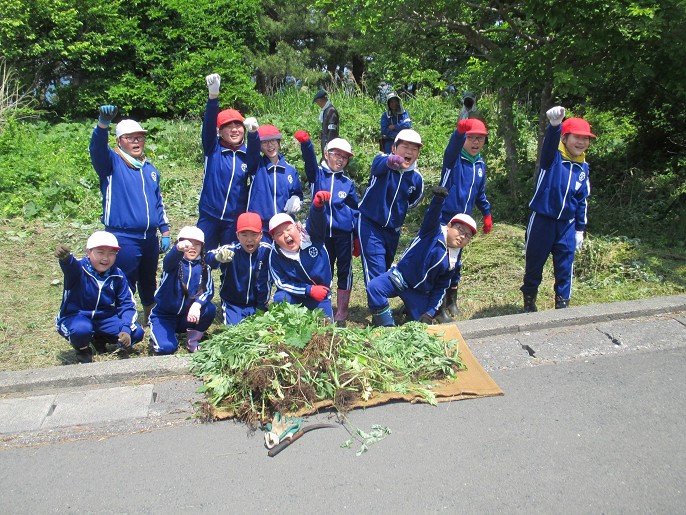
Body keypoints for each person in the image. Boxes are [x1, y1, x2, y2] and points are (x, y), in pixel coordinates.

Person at [90, 105, 171, 326]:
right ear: (119, 141)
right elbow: (96, 149)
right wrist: (102, 125)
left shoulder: (150, 169)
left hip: (149, 238)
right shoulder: (112, 163)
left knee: (148, 278)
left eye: (140, 138)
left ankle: (149, 316)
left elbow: (158, 202)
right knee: (125, 279)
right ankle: (121, 320)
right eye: (130, 138)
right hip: (123, 236)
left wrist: (164, 229)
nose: (136, 142)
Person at [367, 186, 477, 327]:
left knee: (422, 326)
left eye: (467, 236)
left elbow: (440, 289)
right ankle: (387, 327)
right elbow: (432, 215)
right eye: (460, 229)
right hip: (400, 279)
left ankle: (409, 309)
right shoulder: (432, 232)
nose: (462, 236)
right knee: (374, 288)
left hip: (419, 293)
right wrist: (438, 200)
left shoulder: (453, 261)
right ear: (449, 225)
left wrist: (429, 313)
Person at [521, 106, 595, 312]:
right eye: (576, 137)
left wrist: (580, 228)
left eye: (585, 138)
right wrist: (554, 126)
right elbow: (549, 146)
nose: (581, 142)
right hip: (542, 222)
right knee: (534, 264)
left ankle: (563, 305)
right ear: (565, 138)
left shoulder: (583, 167)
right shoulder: (552, 159)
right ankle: (529, 303)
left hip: (567, 225)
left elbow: (582, 200)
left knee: (565, 267)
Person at [294, 130, 359, 325]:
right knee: (323, 269)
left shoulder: (347, 183)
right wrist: (306, 144)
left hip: (343, 234)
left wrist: (355, 237)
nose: (340, 160)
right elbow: (309, 161)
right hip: (321, 234)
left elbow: (355, 211)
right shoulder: (317, 175)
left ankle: (342, 310)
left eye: (344, 157)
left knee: (345, 270)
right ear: (326, 154)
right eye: (336, 154)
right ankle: (323, 304)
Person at [55, 231, 145, 364]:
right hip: (76, 316)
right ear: (88, 252)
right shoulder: (79, 269)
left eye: (111, 253)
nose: (106, 258)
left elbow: (127, 304)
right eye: (100, 252)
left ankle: (100, 339)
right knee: (81, 330)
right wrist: (65, 258)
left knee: (136, 332)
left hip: (104, 318)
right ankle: (83, 349)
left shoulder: (118, 275)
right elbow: (70, 265)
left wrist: (125, 329)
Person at [437, 117, 493, 320]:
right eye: (471, 138)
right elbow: (452, 148)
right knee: (442, 261)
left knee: (456, 262)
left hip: (464, 223)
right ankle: (438, 305)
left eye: (480, 139)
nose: (476, 142)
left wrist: (486, 213)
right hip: (445, 219)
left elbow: (480, 194)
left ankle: (452, 301)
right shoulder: (454, 160)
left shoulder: (479, 165)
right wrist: (458, 133)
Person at [357, 129, 424, 293]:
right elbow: (378, 166)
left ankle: (380, 303)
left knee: (385, 267)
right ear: (394, 148)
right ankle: (380, 313)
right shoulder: (382, 162)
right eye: (405, 147)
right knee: (376, 271)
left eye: (414, 149)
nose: (409, 151)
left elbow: (413, 201)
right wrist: (390, 162)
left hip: (393, 232)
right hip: (370, 224)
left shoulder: (416, 178)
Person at [196, 73, 251, 250]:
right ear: (220, 131)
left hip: (233, 220)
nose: (234, 130)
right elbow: (208, 127)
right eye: (228, 127)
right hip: (209, 215)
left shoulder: (249, 154)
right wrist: (213, 98)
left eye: (238, 126)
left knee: (231, 264)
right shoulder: (213, 148)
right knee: (203, 259)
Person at [148, 226, 215, 354]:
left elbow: (209, 290)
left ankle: (193, 340)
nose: (192, 247)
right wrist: (178, 249)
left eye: (197, 244)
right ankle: (159, 335)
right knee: (166, 349)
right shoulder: (173, 264)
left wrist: (197, 305)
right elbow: (169, 260)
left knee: (209, 309)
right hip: (165, 316)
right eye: (188, 243)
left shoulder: (204, 267)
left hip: (187, 315)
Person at [268, 191, 334, 319]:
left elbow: (317, 221)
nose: (286, 235)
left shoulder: (311, 235)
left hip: (321, 294)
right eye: (279, 234)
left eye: (288, 229)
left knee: (325, 331)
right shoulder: (274, 255)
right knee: (280, 298)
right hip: (296, 295)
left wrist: (317, 206)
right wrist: (308, 290)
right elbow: (281, 283)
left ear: (296, 227)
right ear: (274, 238)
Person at [206, 212, 272, 325]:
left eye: (254, 234)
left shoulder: (267, 251)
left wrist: (261, 306)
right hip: (233, 304)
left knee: (260, 333)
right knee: (235, 331)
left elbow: (265, 282)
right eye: (244, 234)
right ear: (237, 235)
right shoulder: (231, 250)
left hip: (256, 304)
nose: (249, 239)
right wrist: (217, 257)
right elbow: (207, 258)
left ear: (261, 235)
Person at [245, 121, 304, 236]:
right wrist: (252, 134)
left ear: (279, 143)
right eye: (265, 142)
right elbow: (251, 152)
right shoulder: (256, 166)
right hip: (261, 227)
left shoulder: (290, 170)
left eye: (273, 141)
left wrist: (296, 199)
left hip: (284, 227)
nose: (270, 145)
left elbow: (297, 193)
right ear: (260, 147)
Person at [313, 89, 339, 156]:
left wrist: (328, 144)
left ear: (320, 100)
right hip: (325, 142)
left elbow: (332, 129)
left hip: (330, 143)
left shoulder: (331, 110)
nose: (318, 104)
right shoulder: (325, 110)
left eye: (317, 102)